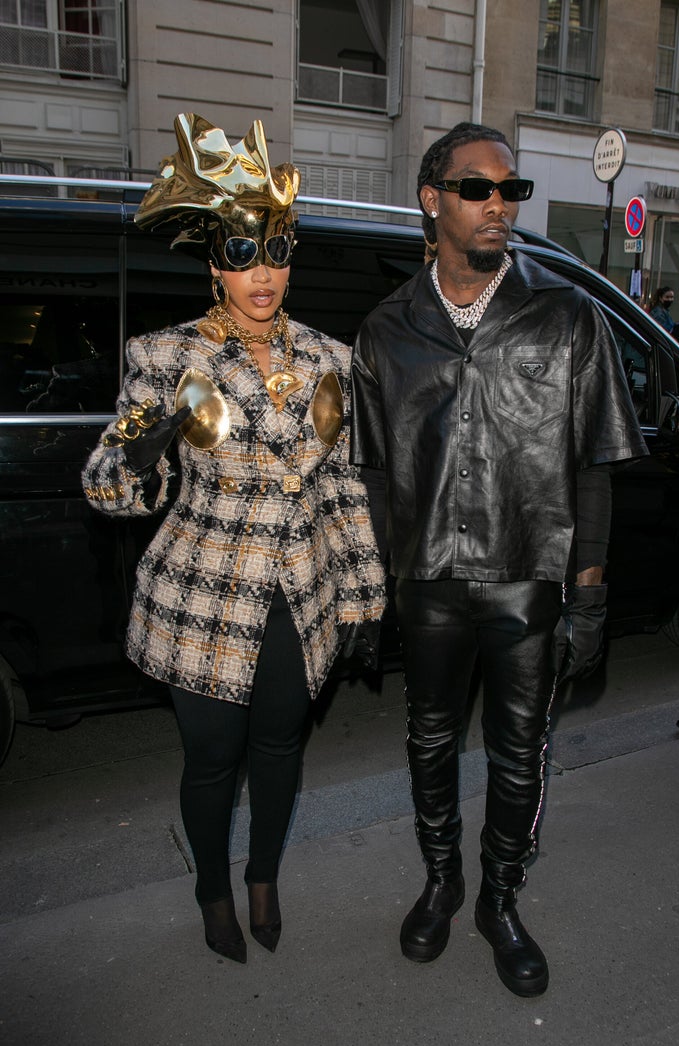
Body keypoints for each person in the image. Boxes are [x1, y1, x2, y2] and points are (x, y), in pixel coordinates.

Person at [351, 122, 647, 997]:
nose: (498, 206)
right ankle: (443, 883)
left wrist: (588, 594)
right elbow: (371, 480)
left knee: (521, 755)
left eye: (509, 191)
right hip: (428, 580)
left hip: (529, 576)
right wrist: (367, 595)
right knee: (430, 740)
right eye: (477, 188)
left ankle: (500, 901)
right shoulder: (386, 331)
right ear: (432, 200)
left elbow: (593, 467)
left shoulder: (568, 318)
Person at [82, 113, 385, 964]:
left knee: (282, 746)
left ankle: (263, 876)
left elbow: (342, 488)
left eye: (278, 251)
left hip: (299, 590)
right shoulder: (165, 355)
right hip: (204, 594)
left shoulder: (332, 355)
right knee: (213, 759)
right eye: (245, 254)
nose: (264, 273)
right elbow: (112, 491)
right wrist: (141, 446)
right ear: (216, 262)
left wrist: (364, 600)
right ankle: (213, 888)